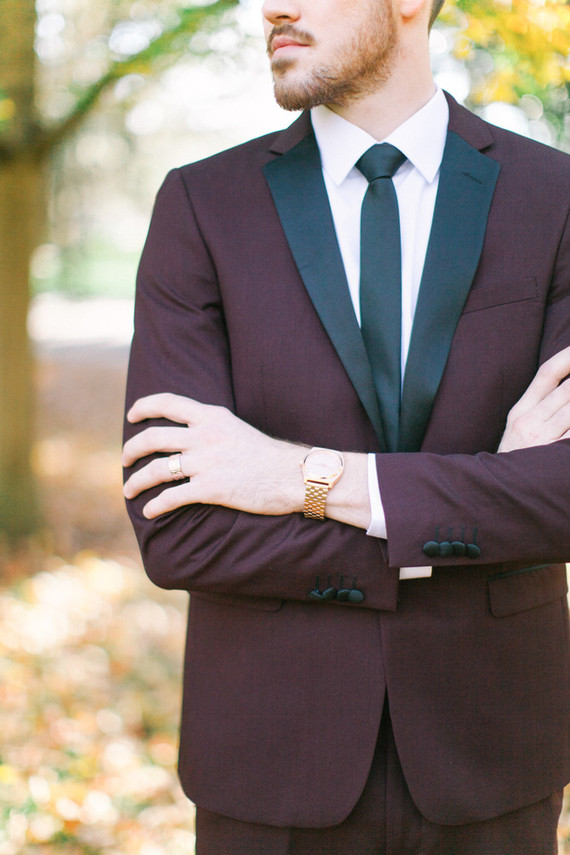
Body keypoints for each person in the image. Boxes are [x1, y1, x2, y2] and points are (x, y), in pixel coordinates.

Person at [122, 0, 570, 851]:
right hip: (269, 760)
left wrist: (296, 479)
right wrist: (479, 502)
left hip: (493, 750)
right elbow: (177, 529)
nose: (272, 8)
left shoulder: (556, 199)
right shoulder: (202, 206)